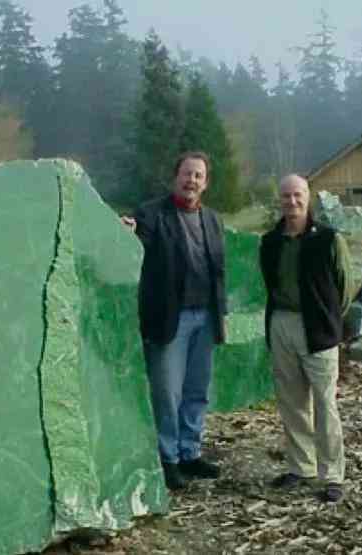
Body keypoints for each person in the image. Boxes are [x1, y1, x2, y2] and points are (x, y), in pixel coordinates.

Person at [121, 151, 228, 490]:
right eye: (186, 173)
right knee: (167, 392)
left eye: (198, 175)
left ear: (205, 183)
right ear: (175, 177)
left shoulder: (212, 220)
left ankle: (189, 453)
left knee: (197, 390)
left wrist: (221, 314)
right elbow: (136, 249)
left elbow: (219, 271)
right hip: (170, 319)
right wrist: (127, 233)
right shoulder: (151, 214)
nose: (191, 180)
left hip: (206, 317)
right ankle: (167, 459)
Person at [259, 174, 351, 503]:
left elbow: (344, 288)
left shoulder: (329, 239)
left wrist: (329, 319)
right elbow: (269, 283)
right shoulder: (270, 241)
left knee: (325, 404)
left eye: (298, 194)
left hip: (318, 328)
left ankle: (332, 476)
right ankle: (301, 467)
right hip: (281, 323)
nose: (292, 201)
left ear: (308, 197)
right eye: (286, 196)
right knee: (292, 401)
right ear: (279, 199)